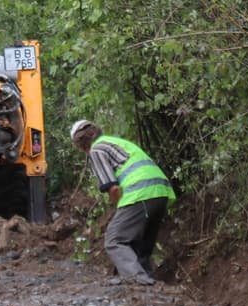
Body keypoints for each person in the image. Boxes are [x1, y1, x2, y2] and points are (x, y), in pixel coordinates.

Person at [69, 119, 176, 286]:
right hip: (161, 192)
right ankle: (149, 284)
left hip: (140, 192)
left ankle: (138, 282)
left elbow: (113, 189)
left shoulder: (96, 150)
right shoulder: (115, 142)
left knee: (115, 240)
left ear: (81, 146)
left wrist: (117, 206)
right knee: (140, 246)